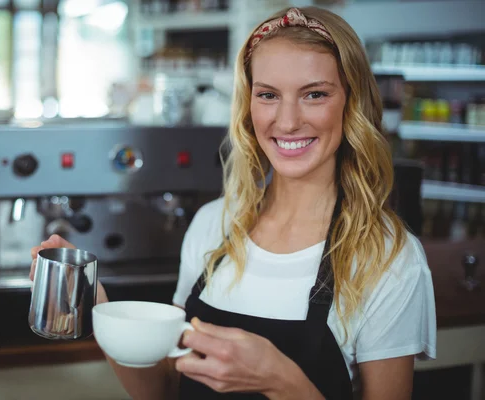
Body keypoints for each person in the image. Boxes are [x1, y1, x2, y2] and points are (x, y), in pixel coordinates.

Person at [30, 6, 436, 400]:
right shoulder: (213, 224)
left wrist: (281, 381)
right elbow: (164, 389)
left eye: (314, 94)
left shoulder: (389, 258)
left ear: (352, 103)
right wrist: (98, 306)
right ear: (249, 106)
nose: (288, 121)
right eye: (268, 95)